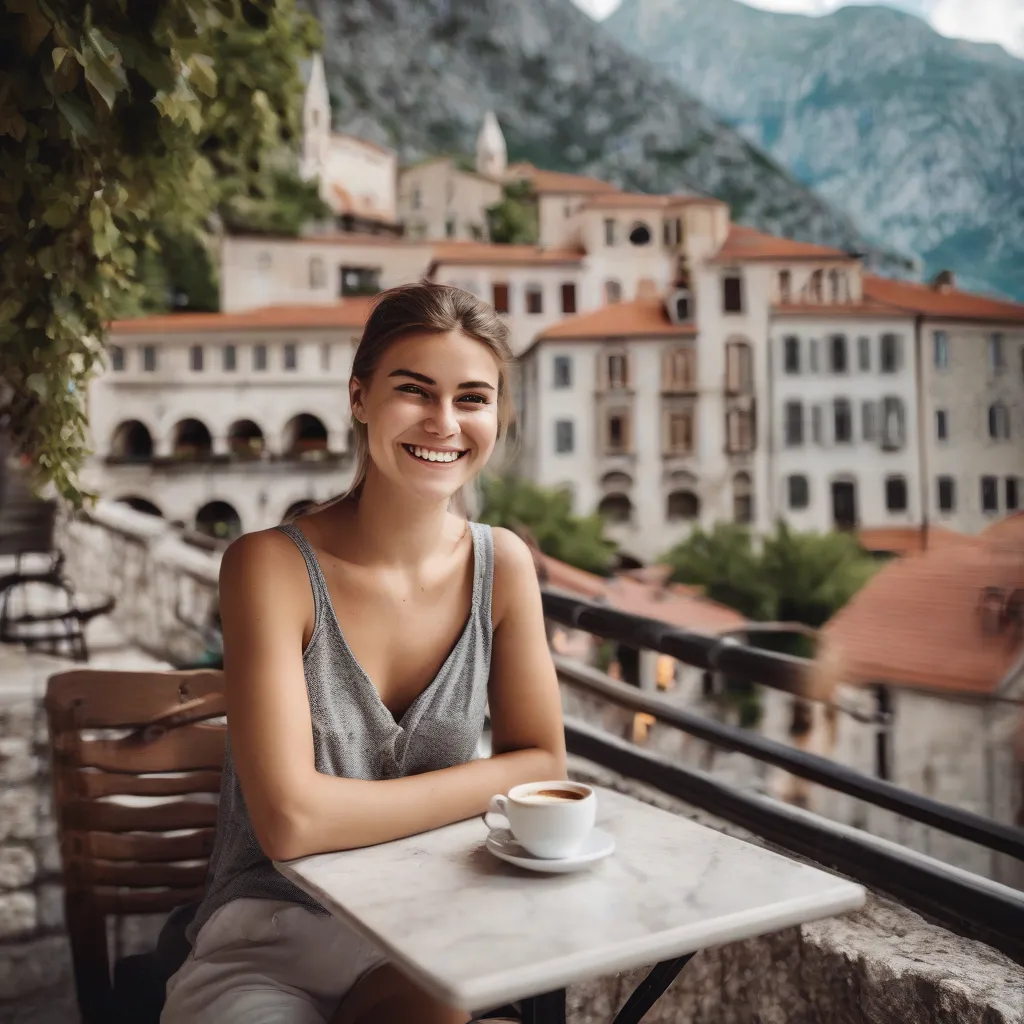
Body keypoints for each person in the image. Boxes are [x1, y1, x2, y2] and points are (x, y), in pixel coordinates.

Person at [161, 283, 566, 1024]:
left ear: (497, 416)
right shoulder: (269, 568)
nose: (444, 423)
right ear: (359, 398)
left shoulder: (502, 566)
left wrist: (338, 808)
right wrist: (487, 782)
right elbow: (289, 824)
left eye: (472, 399)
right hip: (268, 939)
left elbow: (546, 766)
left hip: (418, 936)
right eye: (416, 391)